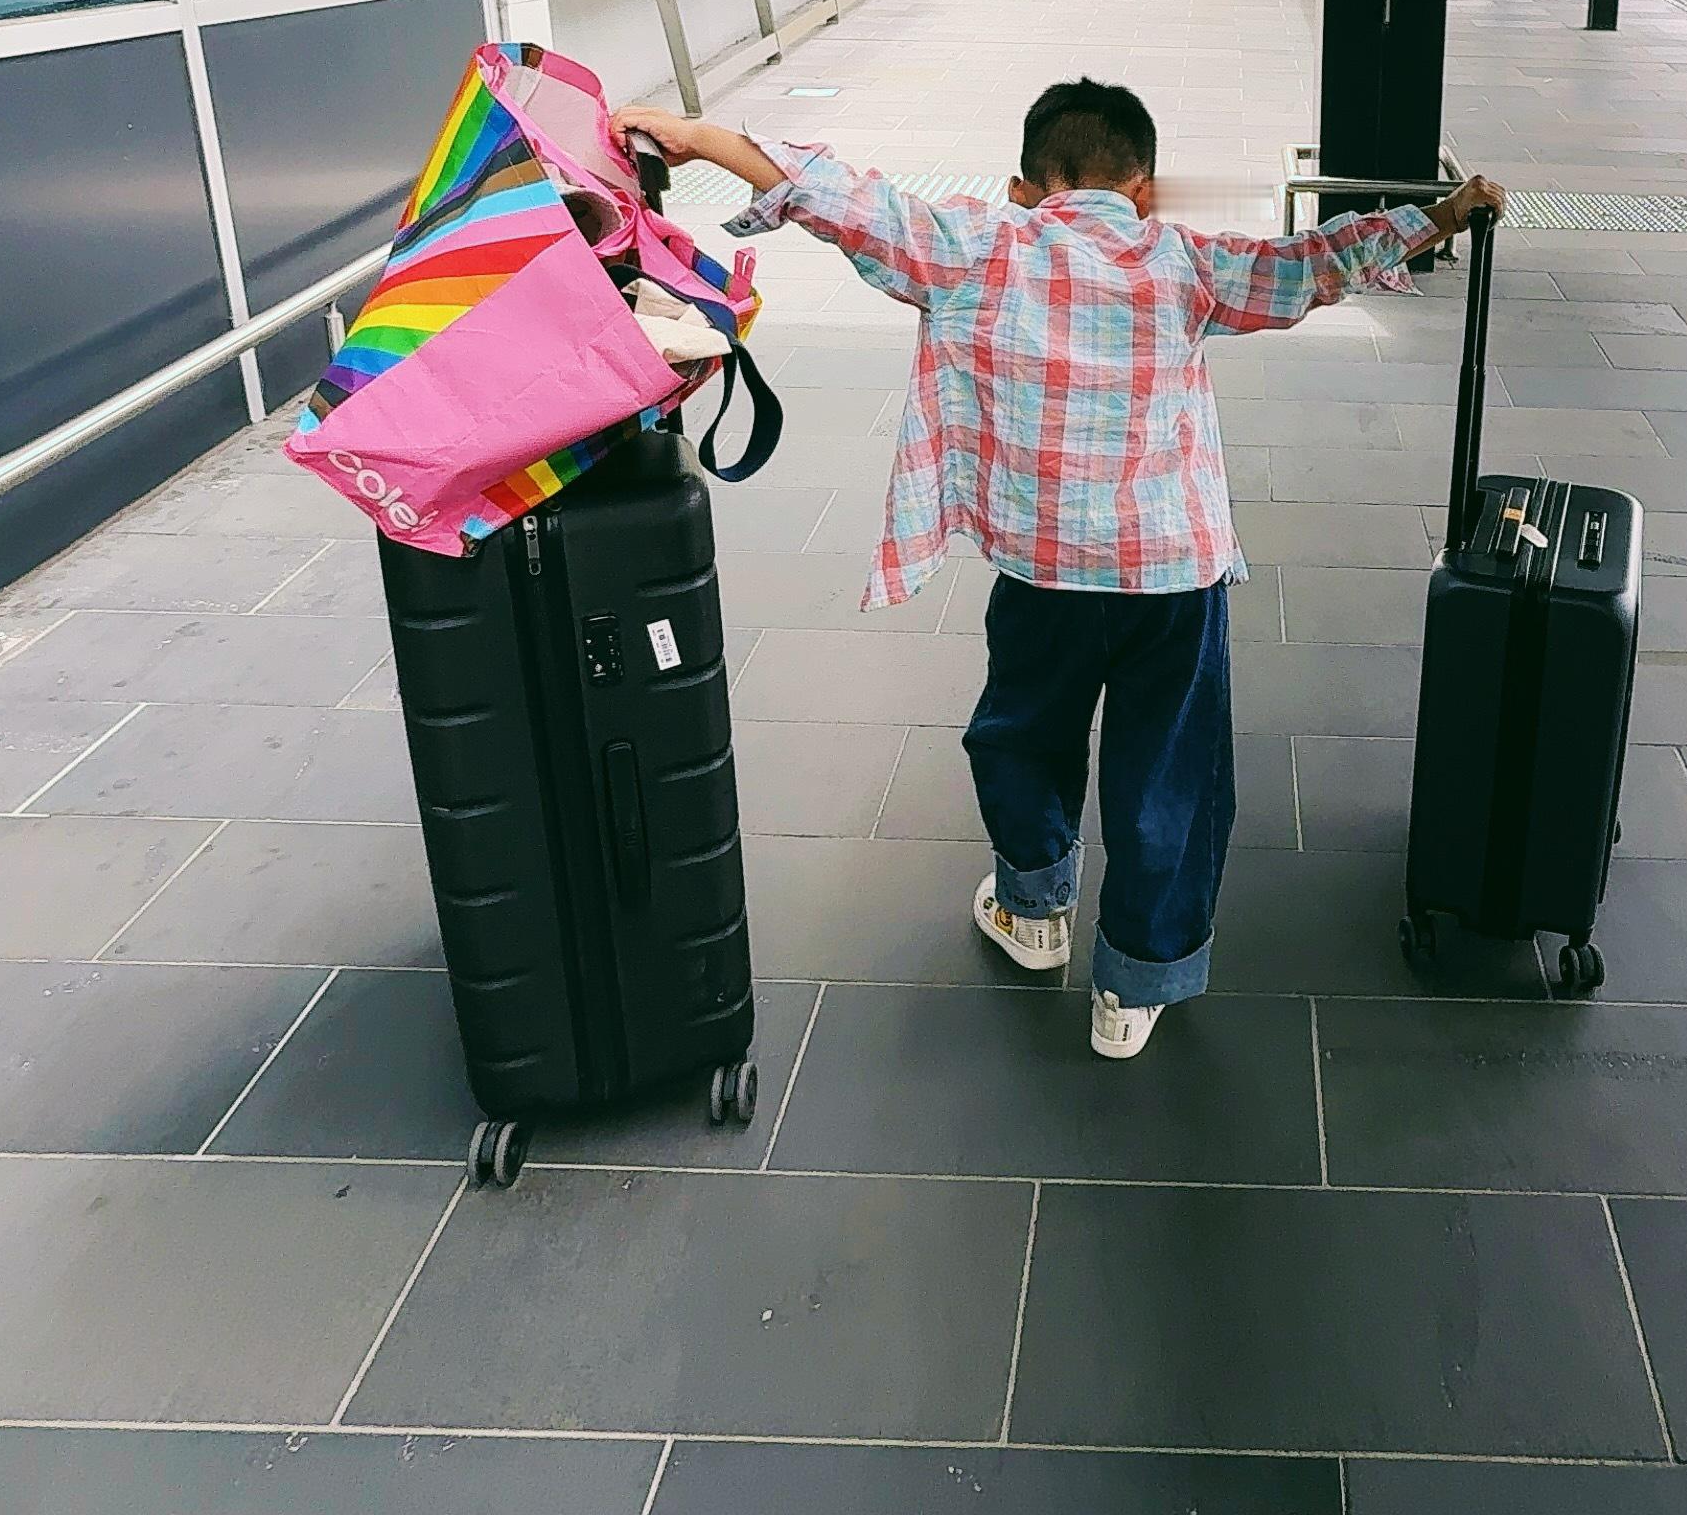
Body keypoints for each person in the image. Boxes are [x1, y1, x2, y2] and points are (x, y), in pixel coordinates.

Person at [617, 86, 1499, 1059]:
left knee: (1021, 734)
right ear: (1145, 192)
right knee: (1169, 777)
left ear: (1019, 188)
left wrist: (699, 139)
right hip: (1173, 574)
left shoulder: (978, 245)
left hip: (1042, 572)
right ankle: (1136, 985)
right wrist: (1442, 216)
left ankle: (1034, 914)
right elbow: (1310, 265)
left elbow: (839, 196)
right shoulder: (1185, 262)